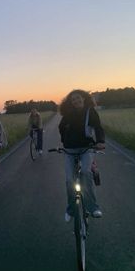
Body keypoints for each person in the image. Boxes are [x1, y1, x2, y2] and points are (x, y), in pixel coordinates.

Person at [58, 90, 105, 222]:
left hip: (86, 148)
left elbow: (98, 127)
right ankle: (71, 210)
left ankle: (93, 207)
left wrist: (100, 141)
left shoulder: (90, 112)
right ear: (70, 102)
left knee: (85, 172)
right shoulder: (67, 114)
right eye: (73, 100)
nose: (76, 101)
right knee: (69, 180)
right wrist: (64, 141)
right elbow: (60, 127)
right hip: (70, 150)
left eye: (78, 98)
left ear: (84, 98)